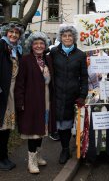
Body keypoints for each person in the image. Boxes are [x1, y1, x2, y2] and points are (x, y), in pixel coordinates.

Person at [14, 31, 56, 174]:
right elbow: (20, 83)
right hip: (31, 100)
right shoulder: (25, 60)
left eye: (41, 43)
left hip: (45, 99)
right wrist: (20, 102)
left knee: (42, 128)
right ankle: (31, 161)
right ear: (31, 46)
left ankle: (38, 156)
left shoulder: (48, 60)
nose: (39, 46)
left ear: (45, 45)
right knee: (33, 131)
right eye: (36, 43)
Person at [50, 25, 88, 164]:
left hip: (74, 94)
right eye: (64, 36)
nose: (67, 38)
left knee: (74, 123)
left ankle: (78, 146)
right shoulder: (54, 52)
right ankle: (65, 149)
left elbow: (84, 77)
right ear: (60, 37)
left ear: (74, 38)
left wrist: (82, 95)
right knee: (61, 123)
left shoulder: (80, 54)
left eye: (70, 36)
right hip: (58, 94)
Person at [0, 18, 24, 170]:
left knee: (7, 126)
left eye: (16, 32)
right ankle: (1, 158)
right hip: (2, 91)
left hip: (11, 92)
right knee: (1, 126)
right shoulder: (1, 45)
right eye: (11, 32)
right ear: (6, 32)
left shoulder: (16, 49)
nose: (14, 35)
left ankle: (4, 156)